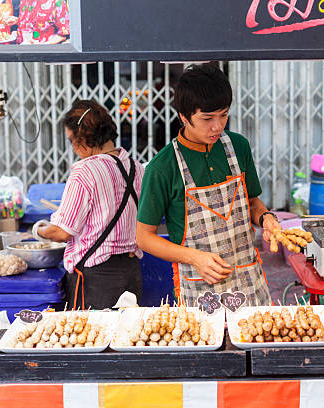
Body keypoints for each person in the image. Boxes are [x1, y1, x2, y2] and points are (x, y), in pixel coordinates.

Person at [136, 64, 280, 306]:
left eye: (223, 115)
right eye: (207, 118)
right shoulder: (163, 167)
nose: (217, 126)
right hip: (199, 288)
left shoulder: (238, 146)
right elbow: (144, 237)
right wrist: (195, 258)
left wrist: (267, 219)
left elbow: (252, 202)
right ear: (184, 116)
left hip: (249, 280)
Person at [35, 100, 144, 309]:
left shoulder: (84, 171)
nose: (74, 148)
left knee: (93, 338)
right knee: (126, 337)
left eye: (71, 140)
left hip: (96, 280)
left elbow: (62, 232)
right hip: (132, 272)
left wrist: (38, 231)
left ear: (82, 138)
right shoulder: (137, 168)